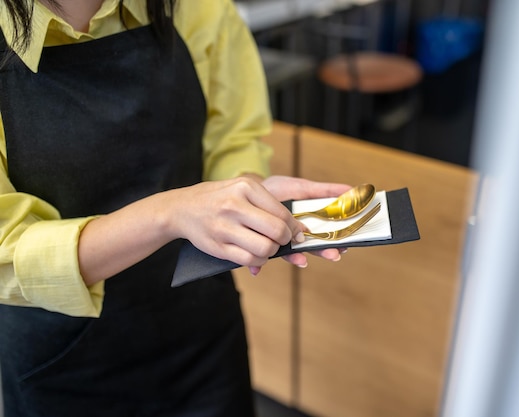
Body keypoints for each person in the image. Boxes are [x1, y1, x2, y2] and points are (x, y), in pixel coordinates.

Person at [0, 1, 351, 416]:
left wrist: (247, 193)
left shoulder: (198, 8)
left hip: (202, 338)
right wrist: (169, 213)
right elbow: (8, 250)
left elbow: (234, 138)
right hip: (62, 366)